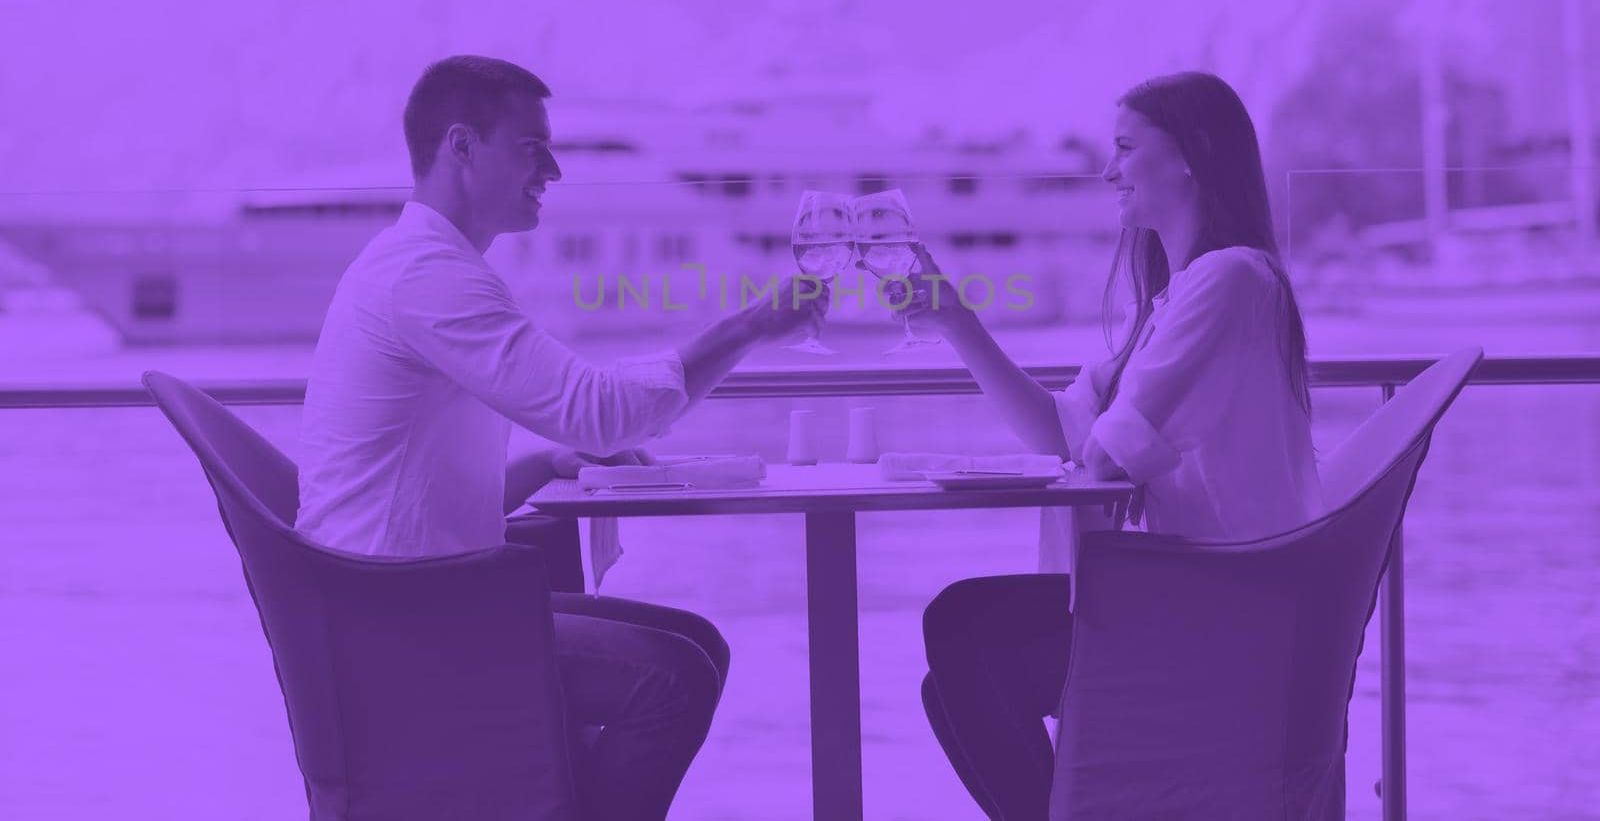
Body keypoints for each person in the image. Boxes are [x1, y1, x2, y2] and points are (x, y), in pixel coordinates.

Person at [298, 54, 824, 820]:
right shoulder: (427, 279)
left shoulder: (417, 267)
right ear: (461, 147)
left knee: (699, 647)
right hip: (404, 622)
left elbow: (415, 486)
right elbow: (599, 409)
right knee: (673, 677)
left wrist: (547, 461)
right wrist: (751, 325)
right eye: (531, 146)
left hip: (401, 595)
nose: (554, 168)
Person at [907, 71, 1322, 820]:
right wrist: (952, 318)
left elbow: (1097, 461)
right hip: (1194, 590)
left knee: (959, 625)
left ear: (1189, 157)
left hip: (1223, 602)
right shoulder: (1179, 298)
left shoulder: (1231, 283)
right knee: (953, 671)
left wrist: (1096, 446)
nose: (1108, 171)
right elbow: (1062, 435)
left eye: (1125, 149)